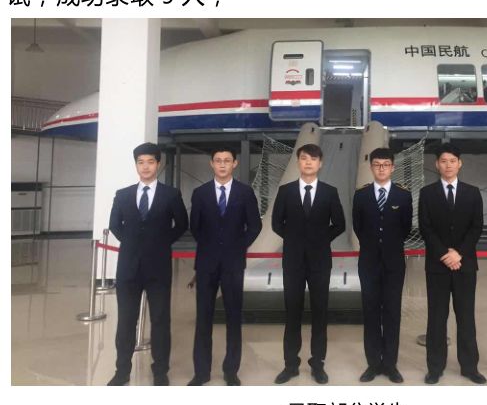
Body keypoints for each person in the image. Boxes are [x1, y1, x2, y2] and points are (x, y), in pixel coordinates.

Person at [107, 142, 188, 386]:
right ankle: (122, 371)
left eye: (150, 162)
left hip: (158, 268)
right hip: (128, 268)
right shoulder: (123, 195)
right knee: (126, 321)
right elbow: (115, 225)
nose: (145, 167)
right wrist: (133, 242)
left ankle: (160, 371)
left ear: (158, 164)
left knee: (161, 321)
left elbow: (182, 224)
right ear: (136, 165)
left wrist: (161, 242)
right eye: (141, 162)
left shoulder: (171, 194)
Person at [187, 147, 262, 386]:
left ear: (234, 164)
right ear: (211, 163)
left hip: (233, 263)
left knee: (233, 317)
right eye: (218, 160)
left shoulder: (245, 192)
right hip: (206, 263)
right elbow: (195, 226)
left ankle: (231, 370)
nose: (222, 164)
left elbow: (255, 226)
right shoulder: (200, 193)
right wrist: (211, 246)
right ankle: (201, 372)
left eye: (227, 160)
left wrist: (238, 246)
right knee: (203, 318)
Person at [272, 143, 346, 384]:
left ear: (320, 163)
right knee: (292, 312)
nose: (308, 162)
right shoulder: (285, 191)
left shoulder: (329, 192)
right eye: (304, 158)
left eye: (313, 159)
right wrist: (294, 239)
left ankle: (318, 364)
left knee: (319, 313)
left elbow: (340, 224)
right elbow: (276, 223)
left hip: (320, 261)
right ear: (298, 162)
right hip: (293, 260)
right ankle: (290, 365)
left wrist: (321, 239)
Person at [419, 143, 485, 385]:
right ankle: (435, 368)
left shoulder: (473, 192)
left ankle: (470, 367)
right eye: (444, 161)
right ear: (437, 164)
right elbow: (425, 227)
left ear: (460, 164)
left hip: (465, 265)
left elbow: (476, 227)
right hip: (437, 266)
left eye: (452, 161)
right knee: (437, 318)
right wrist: (444, 254)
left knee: (466, 317)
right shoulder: (427, 193)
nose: (448, 165)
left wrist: (459, 253)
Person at [352, 148, 413, 383]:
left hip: (394, 263)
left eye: (386, 164)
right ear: (371, 167)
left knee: (392, 313)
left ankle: (390, 364)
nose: (381, 168)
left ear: (393, 167)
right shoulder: (361, 195)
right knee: (370, 313)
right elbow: (358, 226)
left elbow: (405, 228)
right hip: (368, 263)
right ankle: (373, 364)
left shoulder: (403, 195)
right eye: (377, 164)